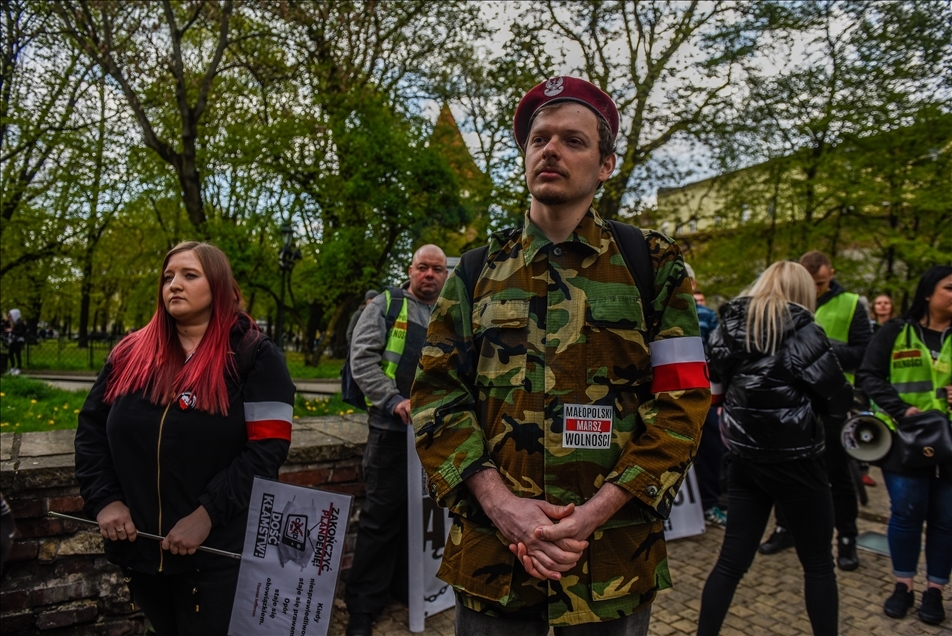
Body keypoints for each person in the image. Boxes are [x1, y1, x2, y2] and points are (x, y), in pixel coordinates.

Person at [411, 76, 709, 635]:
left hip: (611, 560)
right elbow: (435, 398)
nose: (550, 149)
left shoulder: (653, 264)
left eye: (573, 140)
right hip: (494, 555)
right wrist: (503, 507)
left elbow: (683, 401)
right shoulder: (474, 273)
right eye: (538, 139)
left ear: (606, 165)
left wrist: (590, 517)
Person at [74, 241, 294, 636]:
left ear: (219, 287)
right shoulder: (129, 353)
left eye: (190, 275)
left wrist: (206, 515)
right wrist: (105, 500)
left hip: (215, 555)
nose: (174, 284)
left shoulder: (253, 355)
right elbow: (91, 430)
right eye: (168, 276)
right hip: (141, 550)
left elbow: (268, 449)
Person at [697, 261, 852, 636]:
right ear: (803, 292)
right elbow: (838, 400)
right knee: (817, 564)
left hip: (744, 459)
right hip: (798, 461)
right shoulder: (807, 333)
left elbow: (713, 392)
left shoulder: (728, 328)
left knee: (731, 562)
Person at [344, 244, 448, 636]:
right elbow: (363, 359)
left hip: (433, 437)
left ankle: (407, 590)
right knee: (381, 516)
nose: (430, 275)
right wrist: (392, 399)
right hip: (390, 433)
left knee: (419, 519)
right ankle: (363, 606)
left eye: (438, 269)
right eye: (423, 267)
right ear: (411, 269)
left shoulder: (450, 313)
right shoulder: (387, 304)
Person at [759, 251, 872, 572]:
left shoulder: (851, 303)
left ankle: (847, 537)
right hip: (791, 403)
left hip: (833, 404)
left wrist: (819, 347)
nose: (815, 290)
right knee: (786, 469)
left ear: (831, 275)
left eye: (821, 283)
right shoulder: (786, 303)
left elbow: (864, 352)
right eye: (810, 284)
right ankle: (785, 528)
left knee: (838, 473)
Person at [856, 265, 952, 625]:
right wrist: (902, 409)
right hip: (907, 442)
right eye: (950, 288)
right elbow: (869, 375)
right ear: (928, 292)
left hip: (951, 446)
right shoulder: (897, 331)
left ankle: (935, 590)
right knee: (907, 513)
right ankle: (904, 585)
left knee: (946, 521)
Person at [685, 264, 727, 529]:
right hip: (663, 397)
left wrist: (721, 399)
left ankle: (710, 504)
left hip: (704, 396)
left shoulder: (707, 316)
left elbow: (719, 357)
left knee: (711, 450)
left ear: (692, 283)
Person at [5, 309, 27, 375]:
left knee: (17, 354)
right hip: (13, 340)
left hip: (18, 341)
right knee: (10, 354)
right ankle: (12, 367)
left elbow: (20, 332)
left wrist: (11, 331)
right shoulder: (13, 323)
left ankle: (18, 367)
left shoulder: (20, 323)